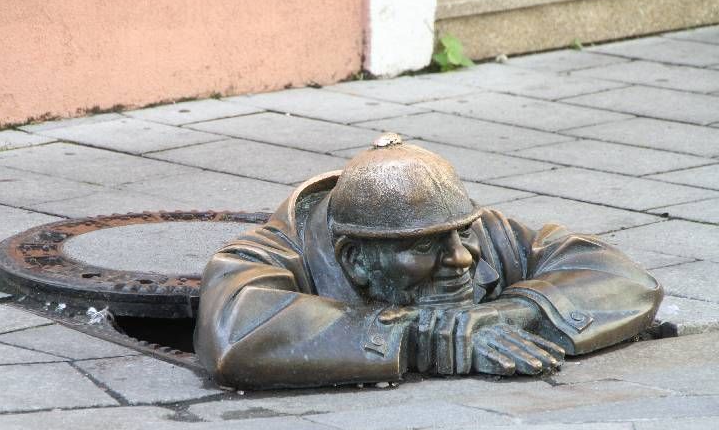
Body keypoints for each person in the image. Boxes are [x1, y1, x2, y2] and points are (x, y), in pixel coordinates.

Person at [194, 135, 663, 389]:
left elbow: (625, 278)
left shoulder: (476, 230)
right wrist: (423, 338)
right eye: (423, 248)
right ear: (355, 260)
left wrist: (507, 313)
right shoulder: (271, 253)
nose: (460, 257)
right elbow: (232, 332)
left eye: (462, 234)